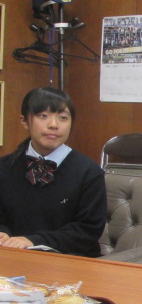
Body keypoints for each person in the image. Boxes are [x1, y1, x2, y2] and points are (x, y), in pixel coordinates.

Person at [0, 87, 107, 257]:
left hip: (71, 260)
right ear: (24, 121)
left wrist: (34, 241)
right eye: (43, 116)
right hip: (12, 256)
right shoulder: (4, 167)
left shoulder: (89, 172)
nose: (54, 125)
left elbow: (88, 230)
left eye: (63, 118)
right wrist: (3, 234)